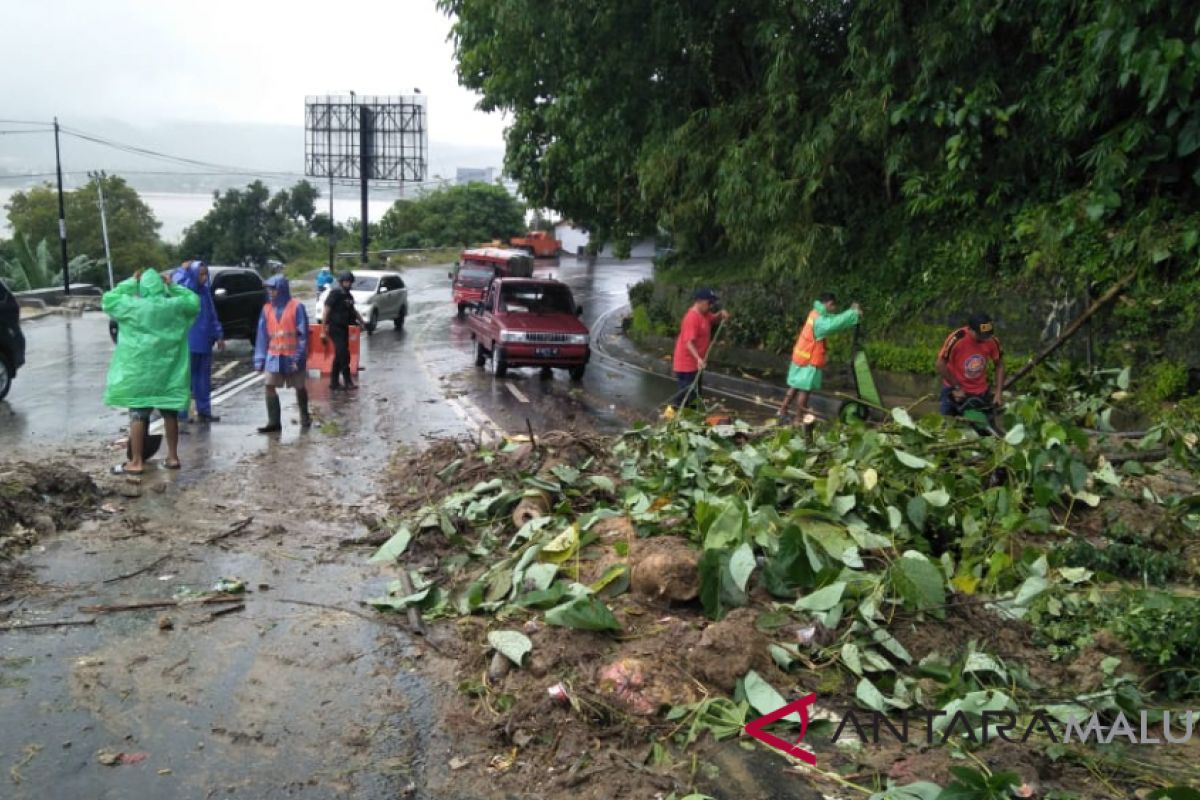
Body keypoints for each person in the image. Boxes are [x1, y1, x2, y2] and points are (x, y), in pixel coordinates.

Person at [102, 268, 200, 473]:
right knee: (170, 411)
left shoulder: (132, 306)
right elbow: (193, 300)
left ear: (142, 288)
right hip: (169, 370)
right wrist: (172, 286)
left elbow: (109, 299)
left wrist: (131, 282)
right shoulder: (173, 306)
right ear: (160, 286)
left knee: (138, 412)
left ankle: (136, 461)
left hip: (139, 370)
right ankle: (172, 457)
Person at [777, 293, 862, 422]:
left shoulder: (815, 313)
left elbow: (833, 318)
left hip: (800, 355)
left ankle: (782, 410)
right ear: (829, 304)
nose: (834, 309)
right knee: (805, 389)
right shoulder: (821, 321)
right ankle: (799, 419)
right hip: (809, 359)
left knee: (795, 384)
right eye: (833, 306)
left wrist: (850, 312)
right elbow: (833, 324)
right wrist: (853, 314)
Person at [253, 275, 311, 432]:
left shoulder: (296, 307)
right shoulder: (267, 309)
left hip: (293, 356)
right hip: (274, 355)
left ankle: (304, 416)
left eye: (273, 289)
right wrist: (259, 359)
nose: (270, 292)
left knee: (299, 386)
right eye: (269, 289)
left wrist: (299, 357)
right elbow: (262, 336)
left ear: (282, 289)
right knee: (269, 385)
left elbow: (303, 334)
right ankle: (274, 422)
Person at [172, 260, 225, 423]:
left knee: (203, 380)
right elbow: (175, 281)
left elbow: (212, 315)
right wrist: (183, 269)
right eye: (200, 274)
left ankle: (204, 411)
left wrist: (219, 335)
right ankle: (181, 413)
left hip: (204, 341)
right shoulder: (185, 289)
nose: (203, 277)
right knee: (185, 380)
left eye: (205, 274)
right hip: (188, 341)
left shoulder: (205, 292)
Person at [669, 288, 731, 411]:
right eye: (709, 303)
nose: (711, 305)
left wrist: (720, 314)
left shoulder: (705, 314)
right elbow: (688, 343)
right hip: (686, 364)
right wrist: (698, 358)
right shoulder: (691, 318)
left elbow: (713, 319)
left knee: (695, 395)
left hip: (696, 364)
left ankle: (690, 419)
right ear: (700, 301)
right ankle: (669, 415)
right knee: (686, 395)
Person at [936, 312, 1004, 416]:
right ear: (970, 329)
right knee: (946, 427)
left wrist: (998, 393)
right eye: (980, 335)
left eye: (986, 335)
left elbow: (999, 365)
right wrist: (957, 387)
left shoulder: (991, 340)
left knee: (982, 428)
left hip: (980, 392)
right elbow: (940, 364)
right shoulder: (957, 339)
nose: (984, 339)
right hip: (954, 391)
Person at [321, 271, 365, 391]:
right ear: (341, 282)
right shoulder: (335, 293)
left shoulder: (348, 296)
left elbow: (353, 310)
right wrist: (323, 330)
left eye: (350, 281)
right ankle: (347, 381)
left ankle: (334, 382)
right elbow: (326, 310)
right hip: (334, 328)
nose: (348, 284)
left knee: (339, 356)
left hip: (344, 328)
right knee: (344, 355)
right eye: (346, 281)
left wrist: (361, 321)